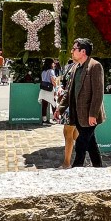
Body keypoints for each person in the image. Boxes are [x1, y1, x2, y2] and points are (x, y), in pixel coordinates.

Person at [54, 38, 106, 167]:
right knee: (91, 144)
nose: (72, 51)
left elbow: (98, 93)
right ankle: (98, 168)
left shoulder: (95, 66)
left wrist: (93, 114)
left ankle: (76, 170)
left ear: (83, 51)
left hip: (89, 116)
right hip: (77, 114)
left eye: (74, 49)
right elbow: (68, 92)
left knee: (80, 145)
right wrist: (60, 109)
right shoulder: (75, 67)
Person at [55, 60, 78, 168]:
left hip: (74, 105)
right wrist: (61, 88)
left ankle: (67, 163)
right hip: (68, 104)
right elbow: (64, 83)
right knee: (69, 133)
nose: (72, 53)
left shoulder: (82, 67)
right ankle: (77, 158)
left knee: (69, 133)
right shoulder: (70, 67)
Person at [39, 57, 57, 125]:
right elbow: (53, 80)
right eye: (53, 63)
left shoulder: (43, 71)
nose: (54, 64)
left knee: (44, 105)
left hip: (43, 89)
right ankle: (55, 118)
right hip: (49, 89)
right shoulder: (51, 71)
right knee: (53, 103)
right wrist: (56, 87)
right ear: (50, 63)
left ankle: (44, 120)